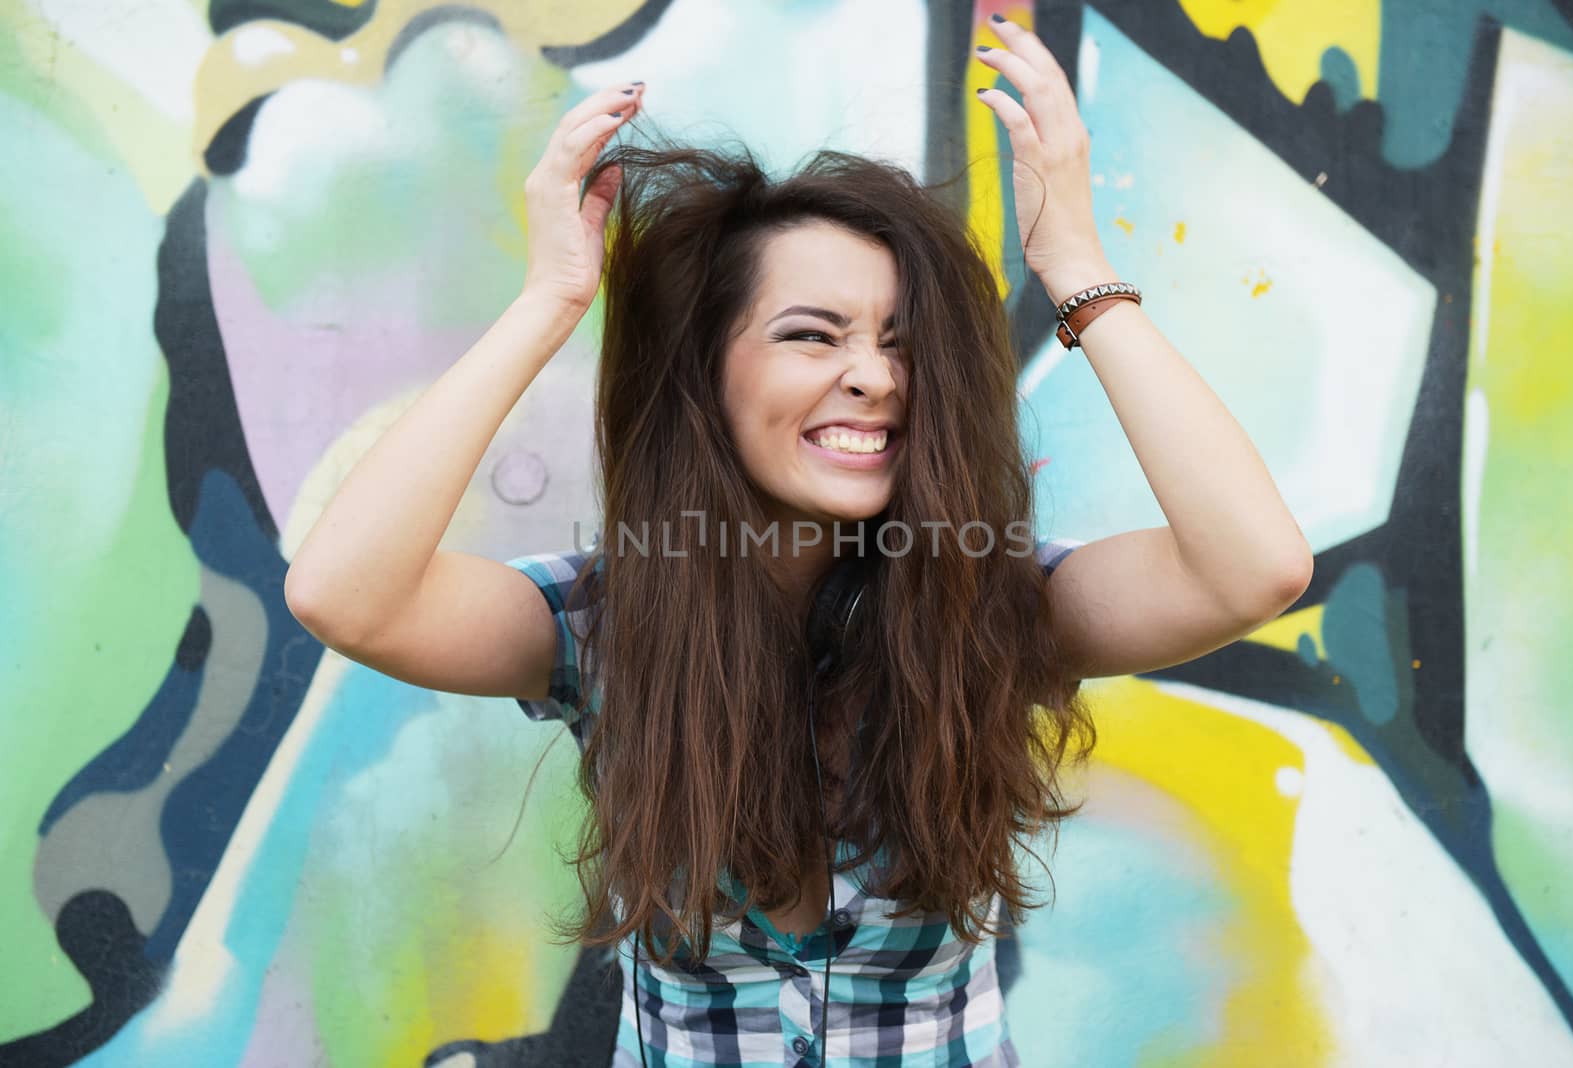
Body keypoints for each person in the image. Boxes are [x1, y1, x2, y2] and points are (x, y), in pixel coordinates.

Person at [284, 16, 1312, 1066]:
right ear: (707, 377)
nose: (874, 375)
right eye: (811, 335)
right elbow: (343, 595)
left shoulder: (996, 606)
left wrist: (1076, 266)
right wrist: (551, 300)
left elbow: (1253, 567)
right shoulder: (606, 627)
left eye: (900, 344)